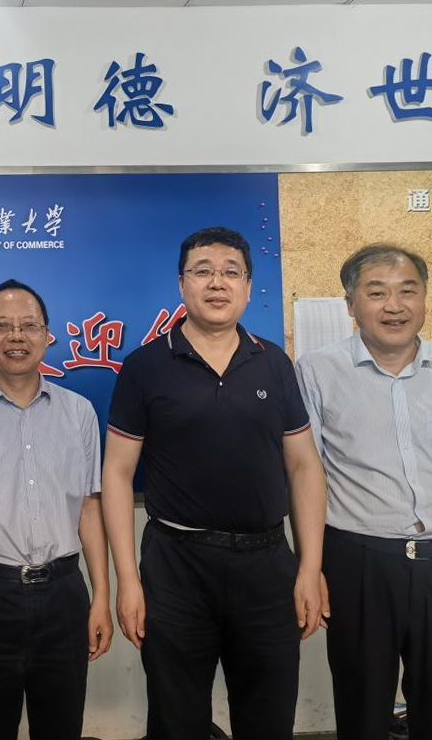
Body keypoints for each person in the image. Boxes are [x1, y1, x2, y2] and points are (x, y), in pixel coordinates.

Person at [101, 226, 328, 740]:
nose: (217, 282)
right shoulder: (144, 367)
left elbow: (304, 467)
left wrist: (309, 567)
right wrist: (127, 581)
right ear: (181, 284)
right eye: (202, 271)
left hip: (266, 566)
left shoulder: (273, 362)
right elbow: (116, 473)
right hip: (175, 567)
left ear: (248, 286)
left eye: (231, 272)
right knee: (176, 720)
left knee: (268, 718)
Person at [295, 244, 432, 740]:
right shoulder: (317, 371)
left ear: (424, 298)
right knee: (362, 710)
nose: (394, 306)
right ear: (351, 304)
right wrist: (310, 566)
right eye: (377, 293)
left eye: (407, 291)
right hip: (359, 562)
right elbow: (306, 473)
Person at [0, 279, 113, 740]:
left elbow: (90, 509)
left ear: (47, 335)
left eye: (29, 326)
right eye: (2, 326)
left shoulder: (79, 413)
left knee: (61, 728)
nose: (16, 337)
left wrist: (101, 597)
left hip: (64, 594)